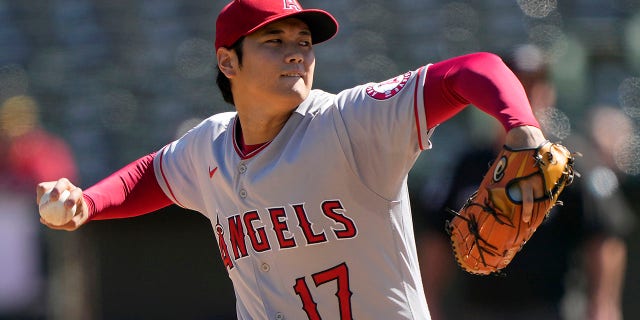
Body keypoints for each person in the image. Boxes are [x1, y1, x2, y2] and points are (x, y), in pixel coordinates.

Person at [36, 1, 554, 319]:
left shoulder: (351, 122)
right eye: (274, 40)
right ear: (226, 60)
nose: (296, 53)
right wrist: (88, 202)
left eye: (304, 42)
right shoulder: (208, 145)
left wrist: (521, 126)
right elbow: (151, 175)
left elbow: (473, 68)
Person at [415, 44, 632, 320]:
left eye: (535, 85)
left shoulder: (572, 166)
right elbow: (436, 238)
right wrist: (428, 303)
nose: (528, 95)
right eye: (517, 84)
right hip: (478, 311)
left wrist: (603, 306)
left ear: (549, 92)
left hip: (551, 310)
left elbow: (602, 238)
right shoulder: (467, 165)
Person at [0, 95, 78, 318]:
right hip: (10, 245)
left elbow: (59, 185)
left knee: (51, 294)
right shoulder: (3, 153)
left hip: (46, 234)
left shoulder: (45, 150)